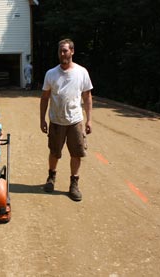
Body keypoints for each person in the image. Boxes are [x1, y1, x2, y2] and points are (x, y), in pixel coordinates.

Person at [39, 38, 93, 202]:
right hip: (56, 121)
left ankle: (74, 185)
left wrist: (89, 120)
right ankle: (51, 178)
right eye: (60, 51)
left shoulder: (82, 72)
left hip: (75, 121)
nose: (62, 53)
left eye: (65, 50)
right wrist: (42, 119)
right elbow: (45, 98)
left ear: (72, 51)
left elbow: (87, 97)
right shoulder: (51, 73)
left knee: (76, 153)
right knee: (54, 152)